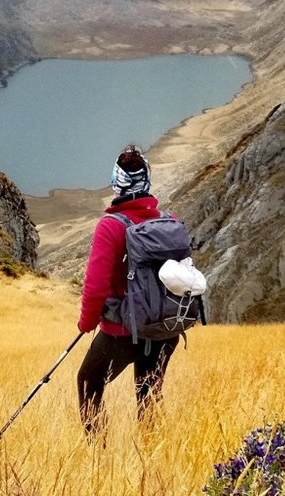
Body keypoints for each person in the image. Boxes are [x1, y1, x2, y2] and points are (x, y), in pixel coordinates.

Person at [76, 144, 179, 436]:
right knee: (149, 394)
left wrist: (87, 323)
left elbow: (95, 287)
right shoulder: (168, 222)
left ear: (116, 182)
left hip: (122, 333)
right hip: (163, 330)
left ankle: (98, 456)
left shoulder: (110, 226)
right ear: (147, 179)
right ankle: (153, 457)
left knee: (89, 382)